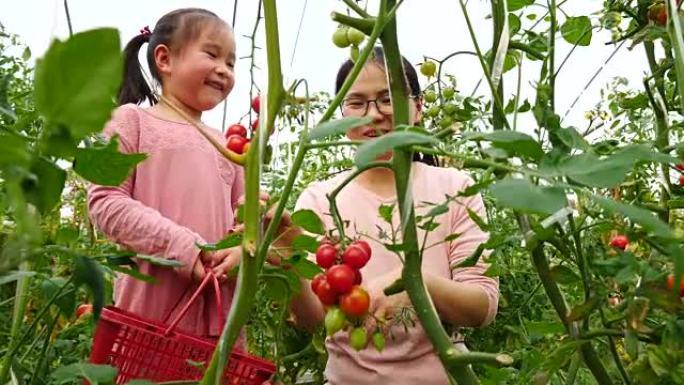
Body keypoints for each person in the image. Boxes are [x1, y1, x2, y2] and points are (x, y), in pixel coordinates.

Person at [290, 47, 500, 384]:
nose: (373, 114)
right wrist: (284, 258)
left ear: (417, 107)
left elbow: (482, 307)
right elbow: (313, 319)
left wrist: (414, 282)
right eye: (356, 103)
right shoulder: (318, 200)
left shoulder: (456, 187)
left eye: (388, 99)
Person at [87, 8, 244, 339]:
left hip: (217, 317)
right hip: (148, 315)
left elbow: (244, 217)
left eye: (231, 63)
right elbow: (105, 201)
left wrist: (241, 248)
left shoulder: (229, 145)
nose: (223, 70)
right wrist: (183, 247)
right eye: (212, 54)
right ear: (165, 59)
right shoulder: (129, 121)